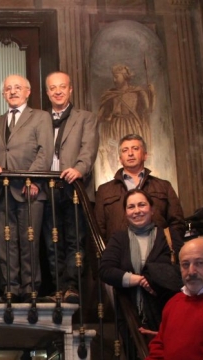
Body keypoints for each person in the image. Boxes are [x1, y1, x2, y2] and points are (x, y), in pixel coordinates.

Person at [0, 74, 54, 302]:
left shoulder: (41, 117)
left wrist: (32, 179)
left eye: (17, 87)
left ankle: (30, 288)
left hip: (30, 190)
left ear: (28, 92)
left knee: (29, 242)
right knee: (5, 244)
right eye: (8, 89)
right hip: (1, 191)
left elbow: (45, 151)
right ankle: (10, 289)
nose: (13, 91)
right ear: (3, 94)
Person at [43, 71, 98, 303]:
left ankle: (72, 287)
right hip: (47, 188)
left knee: (75, 240)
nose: (58, 91)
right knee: (51, 240)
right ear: (47, 92)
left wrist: (79, 169)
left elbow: (89, 150)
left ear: (70, 89)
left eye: (62, 87)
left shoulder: (86, 118)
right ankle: (58, 287)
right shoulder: (40, 119)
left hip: (75, 187)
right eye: (53, 88)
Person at [98, 189, 182, 334]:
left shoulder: (169, 236)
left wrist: (154, 279)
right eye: (131, 207)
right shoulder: (119, 239)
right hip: (131, 317)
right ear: (125, 213)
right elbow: (105, 270)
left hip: (166, 313)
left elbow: (185, 268)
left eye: (142, 205)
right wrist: (139, 280)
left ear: (152, 209)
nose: (137, 211)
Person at [95, 133, 185, 241]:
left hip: (158, 249)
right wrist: (110, 250)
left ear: (145, 155)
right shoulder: (104, 190)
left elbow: (177, 222)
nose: (130, 153)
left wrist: (167, 247)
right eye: (125, 150)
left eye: (135, 148)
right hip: (119, 250)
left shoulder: (164, 186)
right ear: (120, 159)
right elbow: (97, 230)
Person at [96, 64, 155, 179]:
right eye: (113, 77)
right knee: (114, 150)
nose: (114, 80)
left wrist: (152, 94)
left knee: (134, 151)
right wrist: (107, 118)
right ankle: (118, 177)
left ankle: (138, 177)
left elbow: (148, 110)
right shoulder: (110, 95)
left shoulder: (137, 92)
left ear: (124, 77)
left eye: (116, 77)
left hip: (132, 126)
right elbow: (100, 116)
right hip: (116, 128)